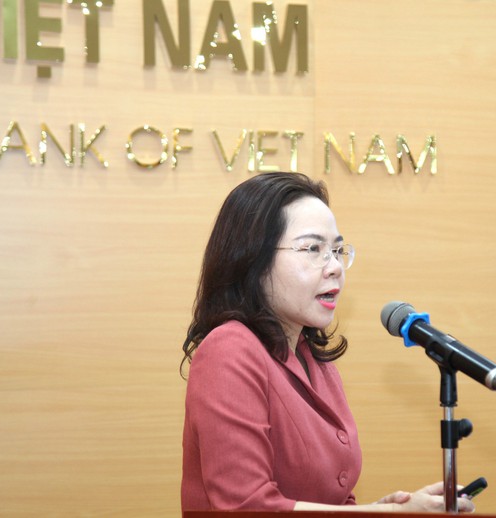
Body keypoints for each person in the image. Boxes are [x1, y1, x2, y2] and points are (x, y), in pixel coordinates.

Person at [180, 172, 474, 513]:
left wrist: (381, 509)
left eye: (336, 250)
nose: (334, 267)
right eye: (313, 249)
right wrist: (390, 513)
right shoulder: (229, 350)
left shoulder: (315, 360)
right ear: (253, 261)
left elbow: (332, 499)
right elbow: (246, 507)